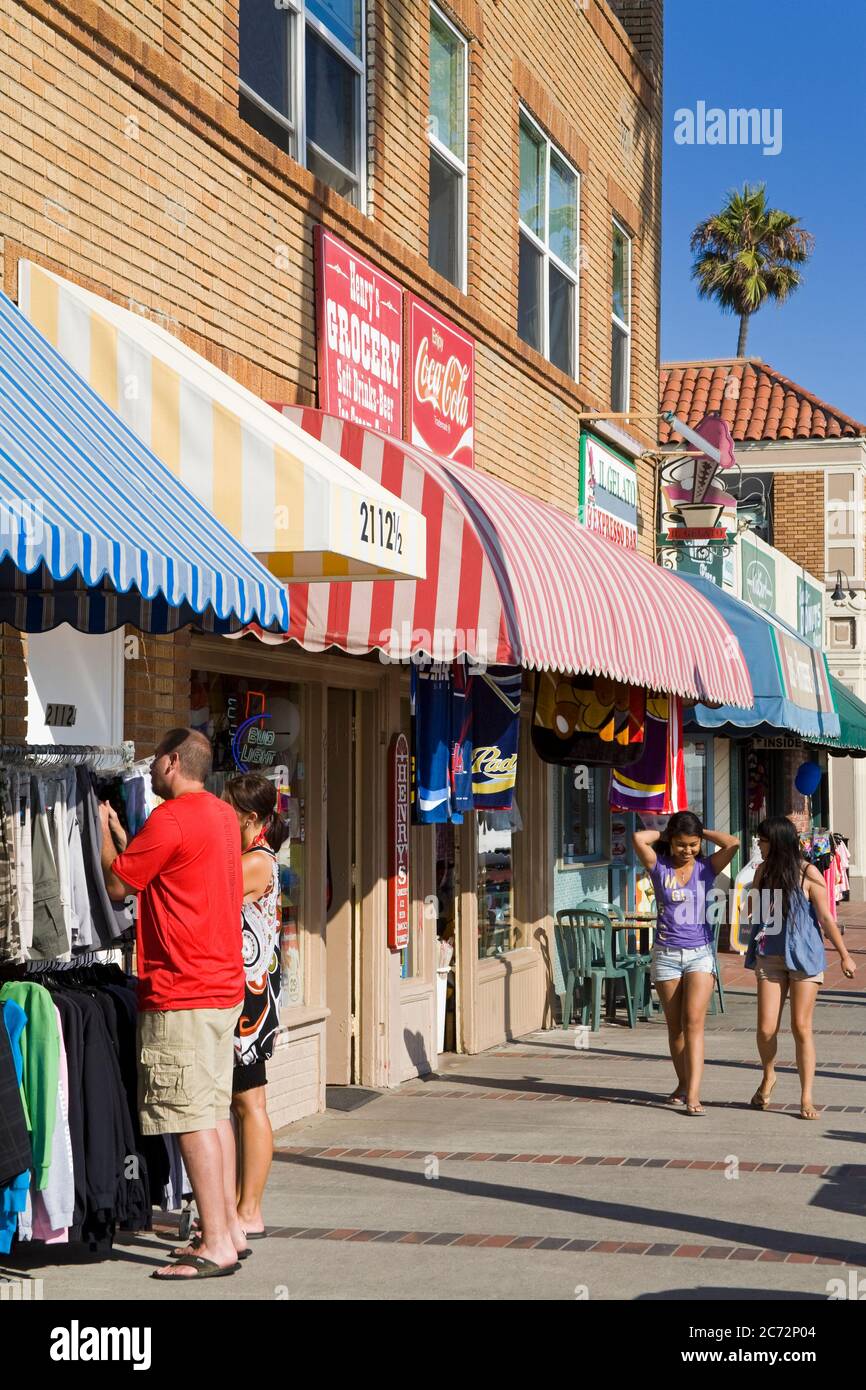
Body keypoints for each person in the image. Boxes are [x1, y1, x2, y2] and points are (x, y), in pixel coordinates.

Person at [100, 727, 246, 1281]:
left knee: (186, 1116)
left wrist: (98, 831)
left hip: (180, 988)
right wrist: (126, 832)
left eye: (156, 763)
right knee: (211, 1110)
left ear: (169, 763)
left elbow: (119, 885)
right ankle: (228, 1227)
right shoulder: (221, 817)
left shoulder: (171, 819)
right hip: (221, 986)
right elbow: (171, 869)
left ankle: (214, 1244)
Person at [745, 816, 856, 1120]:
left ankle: (806, 1096)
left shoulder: (808, 872)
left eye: (762, 840)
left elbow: (825, 918)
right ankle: (769, 1074)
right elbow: (753, 911)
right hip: (771, 955)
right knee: (766, 1028)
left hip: (805, 957)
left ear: (777, 842)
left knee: (800, 1027)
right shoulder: (764, 871)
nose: (758, 844)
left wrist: (844, 955)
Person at [633, 811, 739, 1116]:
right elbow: (639, 838)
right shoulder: (658, 865)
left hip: (700, 954)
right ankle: (682, 1084)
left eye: (693, 844)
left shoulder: (707, 867)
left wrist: (700, 832)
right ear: (671, 841)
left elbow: (732, 843)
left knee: (694, 1023)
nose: (687, 850)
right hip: (666, 955)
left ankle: (693, 1094)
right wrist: (666, 835)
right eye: (681, 844)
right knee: (675, 1028)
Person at [224, 773, 287, 1239]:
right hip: (254, 987)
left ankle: (250, 1210)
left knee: (249, 1101)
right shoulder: (256, 857)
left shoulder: (255, 863)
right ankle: (243, 1206)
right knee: (245, 1101)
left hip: (250, 995)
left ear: (250, 819)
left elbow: (202, 894)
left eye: (228, 811)